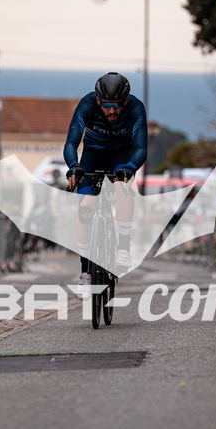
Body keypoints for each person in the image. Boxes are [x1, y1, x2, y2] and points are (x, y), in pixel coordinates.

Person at [63, 72, 148, 300]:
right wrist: (73, 166)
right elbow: (71, 142)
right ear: (98, 100)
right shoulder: (87, 104)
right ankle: (85, 272)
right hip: (93, 156)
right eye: (107, 105)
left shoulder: (135, 108)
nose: (112, 110)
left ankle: (123, 248)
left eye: (117, 105)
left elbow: (141, 147)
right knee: (86, 209)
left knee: (123, 188)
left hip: (122, 156)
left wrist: (130, 167)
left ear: (125, 101)